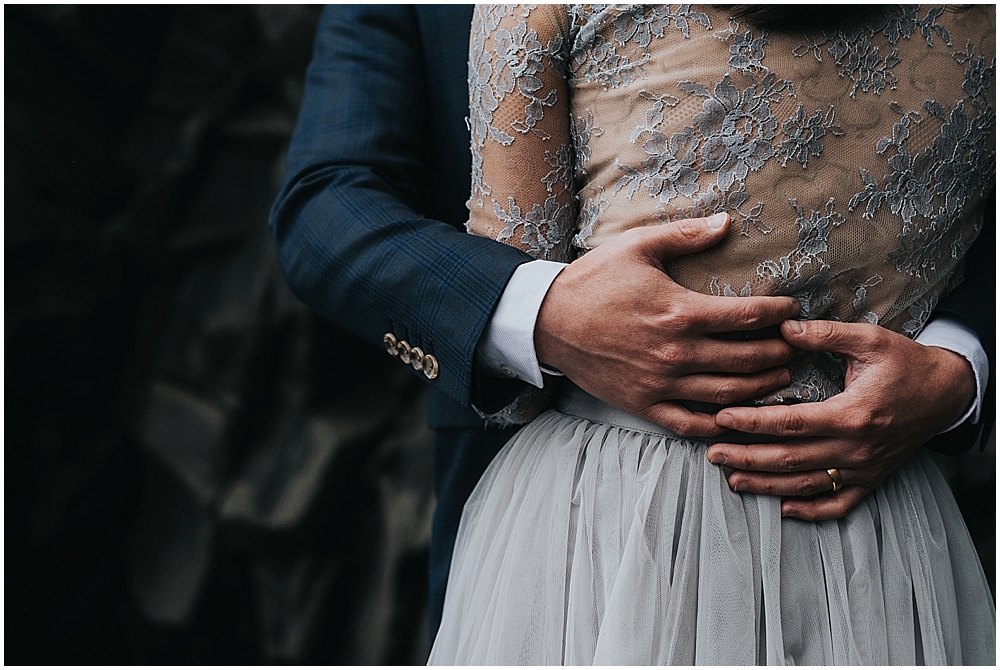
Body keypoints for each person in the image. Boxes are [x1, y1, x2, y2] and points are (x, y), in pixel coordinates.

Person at [270, 4, 993, 645]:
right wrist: (543, 313)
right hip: (569, 536)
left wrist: (959, 370)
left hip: (875, 495)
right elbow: (325, 205)